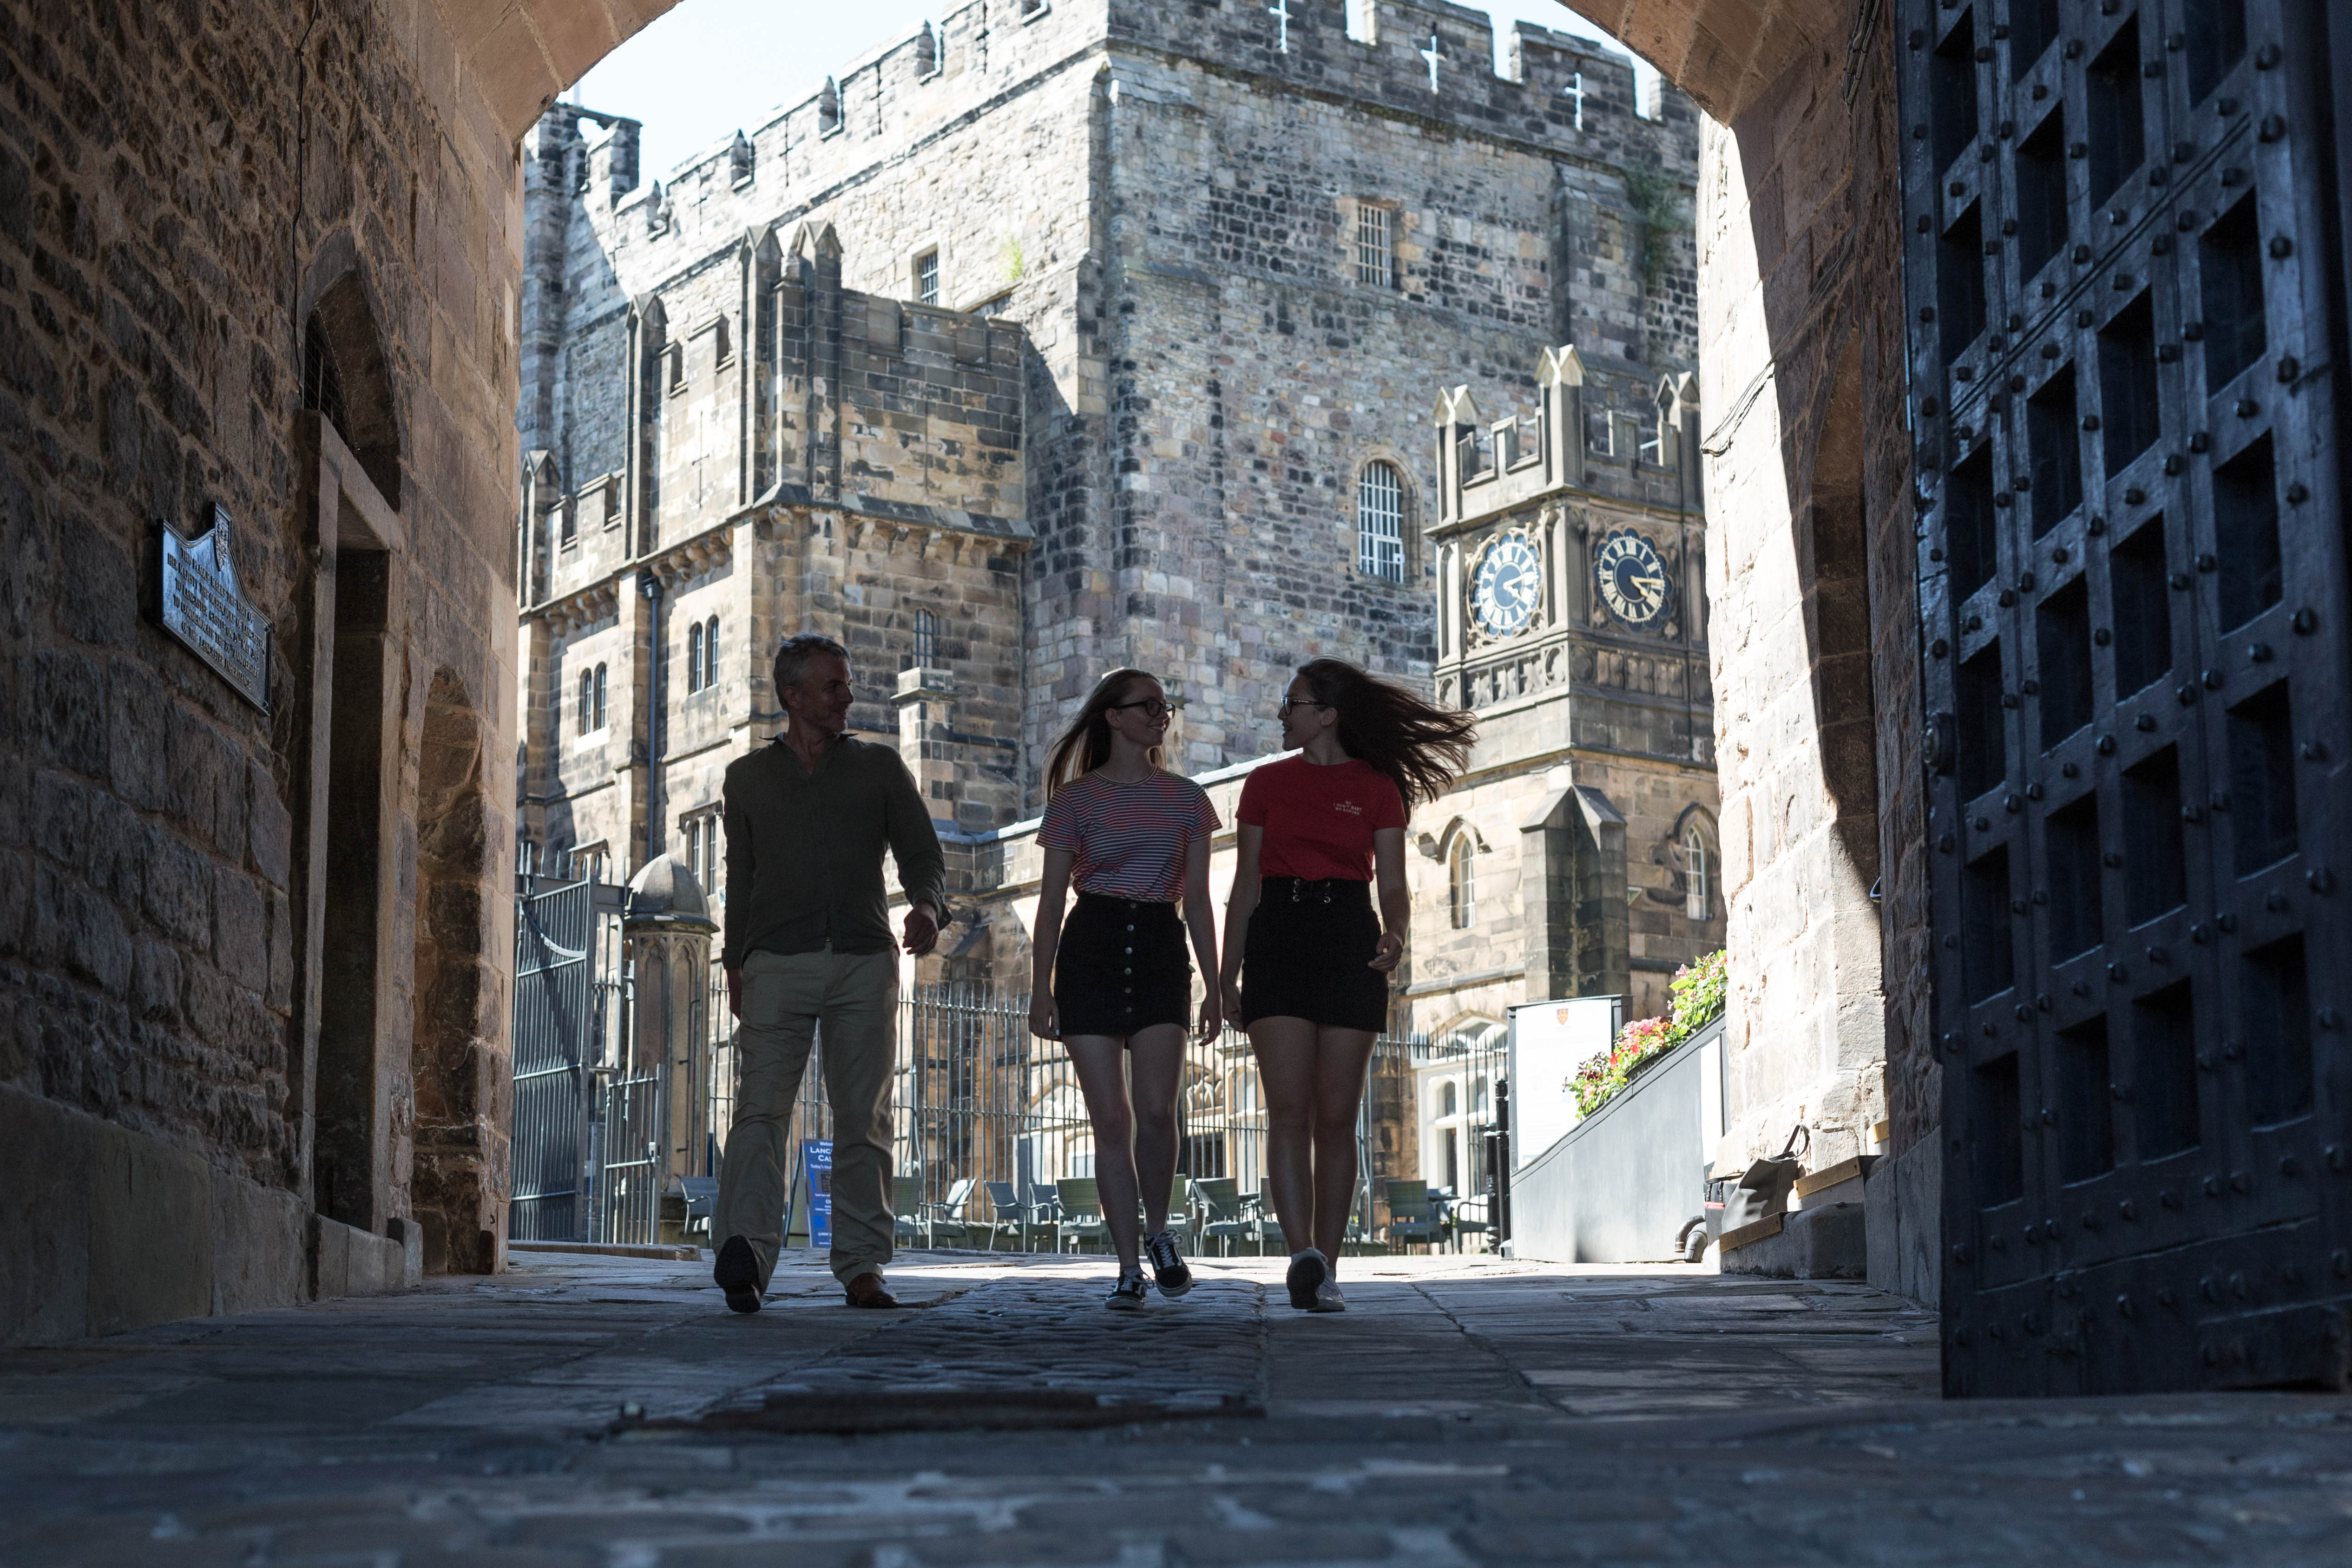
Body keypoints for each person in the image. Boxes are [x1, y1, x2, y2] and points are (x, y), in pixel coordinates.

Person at [1219, 659, 1474, 1313]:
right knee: (1287, 1113)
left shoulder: (1377, 788)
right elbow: (1244, 886)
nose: (1282, 713)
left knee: (1336, 1120)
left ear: (1327, 713)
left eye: (1293, 702)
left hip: (1348, 937)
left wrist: (1395, 931)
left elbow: (1391, 879)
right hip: (1277, 934)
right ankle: (1300, 1254)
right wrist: (1224, 975)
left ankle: (1325, 1269)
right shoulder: (1263, 784)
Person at [712, 633, 944, 1313]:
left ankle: (862, 1264)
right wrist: (734, 963)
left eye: (846, 685)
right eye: (833, 686)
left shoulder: (878, 768)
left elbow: (922, 853)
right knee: (758, 1112)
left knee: (863, 1118)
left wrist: (928, 906)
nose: (848, 697)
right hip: (774, 963)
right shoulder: (746, 779)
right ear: (792, 696)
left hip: (864, 962)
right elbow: (739, 881)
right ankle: (746, 1255)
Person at [1028, 670, 1222, 1310]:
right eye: (1147, 706)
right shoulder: (1074, 802)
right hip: (1093, 945)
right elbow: (1053, 900)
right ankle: (1126, 1266)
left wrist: (1215, 984)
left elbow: (1197, 901)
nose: (1160, 715)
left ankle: (1160, 1231)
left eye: (1165, 706)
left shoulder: (1189, 800)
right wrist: (1040, 986)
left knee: (1160, 1112)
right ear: (1113, 717)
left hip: (1160, 944)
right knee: (1109, 1118)